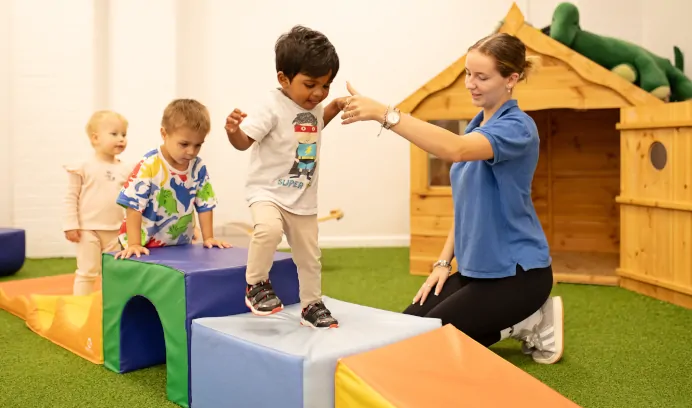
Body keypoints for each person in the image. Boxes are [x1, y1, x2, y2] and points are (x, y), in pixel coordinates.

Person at [340, 32, 564, 364]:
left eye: (482, 77)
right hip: (477, 271)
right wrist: (443, 264)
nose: (471, 84)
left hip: (519, 276)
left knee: (423, 346)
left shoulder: (517, 128)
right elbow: (465, 207)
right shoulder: (476, 126)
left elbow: (454, 150)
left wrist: (386, 114)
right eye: (468, 74)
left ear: (511, 79)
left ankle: (529, 316)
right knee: (403, 332)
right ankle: (519, 324)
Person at [224, 25, 349, 328]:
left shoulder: (314, 106)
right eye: (310, 84)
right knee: (267, 231)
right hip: (267, 192)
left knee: (310, 257)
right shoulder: (271, 106)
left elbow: (314, 126)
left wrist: (333, 107)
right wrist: (233, 132)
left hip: (303, 198)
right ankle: (255, 284)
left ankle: (311, 304)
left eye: (326, 85)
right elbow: (244, 143)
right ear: (284, 78)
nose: (318, 93)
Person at [114, 98, 230, 259]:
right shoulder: (149, 165)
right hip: (141, 243)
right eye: (184, 144)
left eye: (198, 145)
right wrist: (134, 244)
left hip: (178, 244)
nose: (191, 151)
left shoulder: (198, 167)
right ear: (164, 134)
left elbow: (205, 204)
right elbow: (133, 206)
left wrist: (208, 237)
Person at [63, 110, 133, 295]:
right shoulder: (83, 167)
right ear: (95, 138)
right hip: (88, 229)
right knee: (87, 271)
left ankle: (109, 306)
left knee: (113, 272)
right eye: (114, 134)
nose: (121, 139)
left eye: (124, 135)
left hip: (116, 230)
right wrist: (71, 224)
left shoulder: (126, 169)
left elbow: (132, 200)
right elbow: (71, 197)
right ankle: (81, 306)